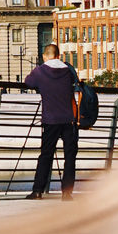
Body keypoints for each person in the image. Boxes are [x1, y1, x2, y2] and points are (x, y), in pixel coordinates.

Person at [23, 43, 79, 200]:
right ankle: (67, 192)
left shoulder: (40, 71)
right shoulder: (68, 70)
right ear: (58, 56)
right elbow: (76, 85)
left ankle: (38, 190)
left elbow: (28, 82)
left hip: (50, 119)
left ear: (44, 56)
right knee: (70, 156)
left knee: (46, 155)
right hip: (69, 119)